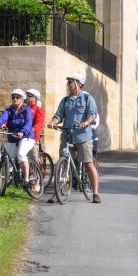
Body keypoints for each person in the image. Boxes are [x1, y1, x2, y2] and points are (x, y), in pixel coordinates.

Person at [47, 72, 101, 204]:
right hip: (67, 136)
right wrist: (53, 122)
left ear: (78, 83)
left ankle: (95, 193)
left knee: (88, 163)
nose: (68, 84)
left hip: (83, 136)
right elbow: (58, 115)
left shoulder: (87, 98)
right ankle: (56, 192)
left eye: (70, 82)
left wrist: (86, 123)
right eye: (68, 82)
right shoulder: (65, 100)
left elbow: (92, 114)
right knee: (62, 164)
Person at [0, 88, 35, 188]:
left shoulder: (27, 110)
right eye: (13, 97)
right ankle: (1, 185)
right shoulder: (9, 110)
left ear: (22, 99)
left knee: (21, 154)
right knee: (8, 160)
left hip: (26, 137)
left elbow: (28, 123)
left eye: (17, 98)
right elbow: (2, 118)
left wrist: (22, 132)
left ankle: (26, 179)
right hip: (12, 136)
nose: (15, 99)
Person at [25, 88, 45, 162]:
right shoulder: (24, 108)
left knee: (33, 158)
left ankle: (36, 172)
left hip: (33, 136)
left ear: (35, 98)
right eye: (27, 95)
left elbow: (39, 123)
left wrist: (33, 129)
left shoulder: (39, 110)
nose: (27, 97)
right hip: (23, 135)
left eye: (29, 96)